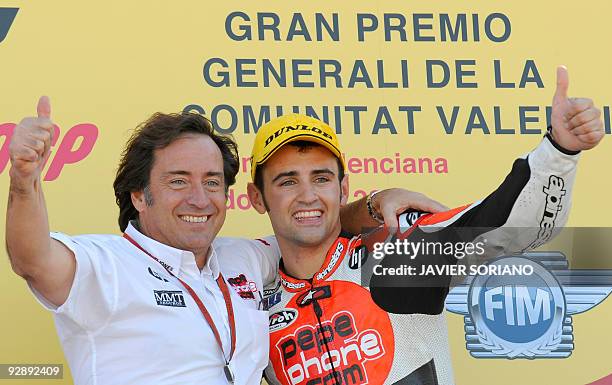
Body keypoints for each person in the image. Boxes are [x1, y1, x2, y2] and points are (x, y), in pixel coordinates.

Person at [5, 97, 444, 385]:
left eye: (212, 182)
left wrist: (370, 206)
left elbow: (309, 226)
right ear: (139, 195)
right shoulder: (106, 264)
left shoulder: (247, 257)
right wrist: (24, 181)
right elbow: (33, 259)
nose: (199, 198)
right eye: (178, 181)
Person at [246, 66, 604, 385]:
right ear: (257, 197)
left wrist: (558, 153)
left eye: (321, 179)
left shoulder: (392, 257)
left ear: (343, 190)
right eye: (287, 181)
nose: (307, 196)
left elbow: (501, 226)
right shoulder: (247, 299)